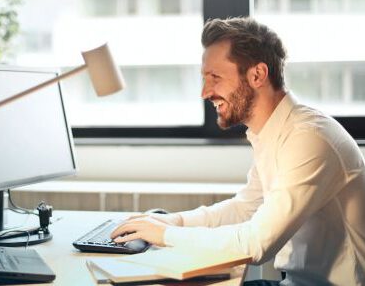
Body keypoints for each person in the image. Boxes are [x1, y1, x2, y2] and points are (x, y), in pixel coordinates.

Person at [111, 17, 365, 285]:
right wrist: (171, 222)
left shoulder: (309, 139)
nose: (205, 92)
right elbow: (245, 208)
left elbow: (256, 244)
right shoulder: (274, 132)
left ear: (257, 75)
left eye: (215, 78)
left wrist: (164, 235)